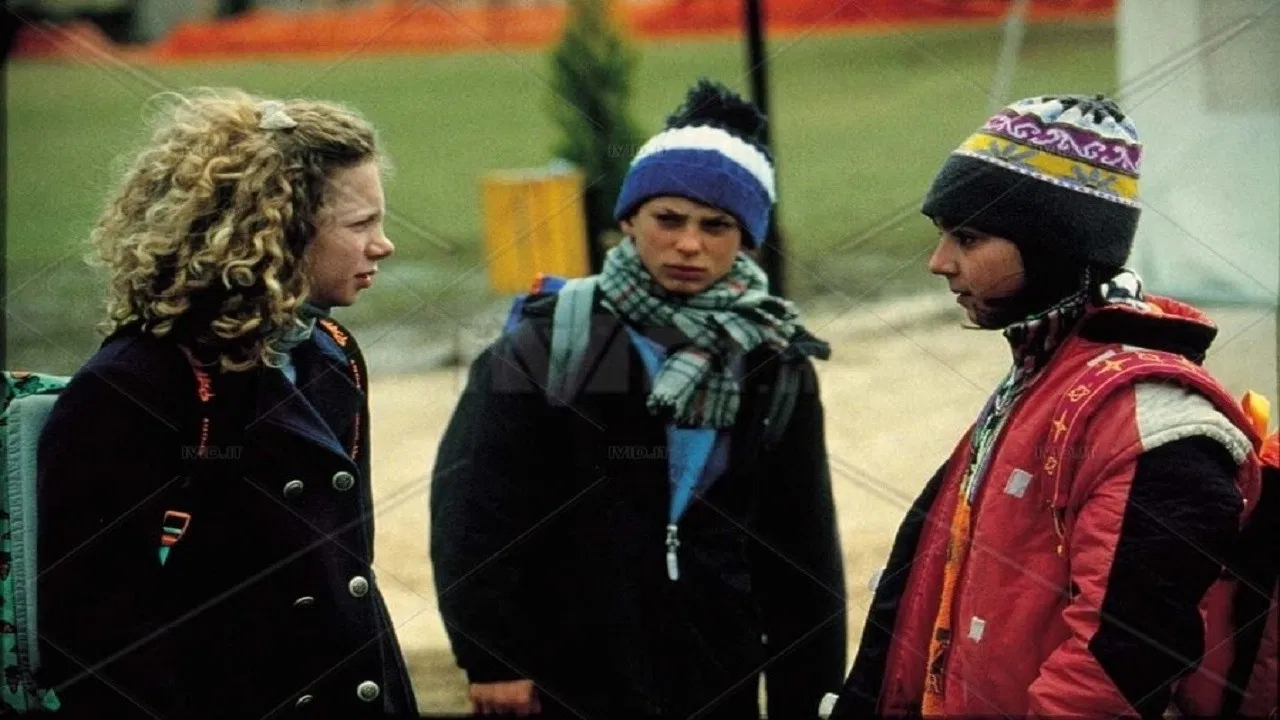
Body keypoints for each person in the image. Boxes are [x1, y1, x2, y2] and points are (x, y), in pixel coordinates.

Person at [826, 94, 1278, 718]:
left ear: (1052, 245)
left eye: (968, 237)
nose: (939, 263)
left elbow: (1122, 659)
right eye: (941, 235)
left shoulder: (1153, 421)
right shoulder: (1040, 378)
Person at [430, 79, 847, 719]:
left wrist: (810, 695)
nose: (689, 244)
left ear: (747, 239)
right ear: (629, 220)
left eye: (716, 225)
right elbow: (476, 507)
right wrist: (493, 657)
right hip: (566, 676)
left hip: (716, 672)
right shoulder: (550, 341)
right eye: (668, 219)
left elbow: (802, 548)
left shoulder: (774, 360)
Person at [36, 89, 418, 719]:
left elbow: (346, 573)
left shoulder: (333, 353)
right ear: (277, 230)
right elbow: (90, 633)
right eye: (360, 225)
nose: (384, 245)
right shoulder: (131, 385)